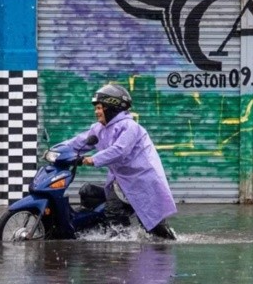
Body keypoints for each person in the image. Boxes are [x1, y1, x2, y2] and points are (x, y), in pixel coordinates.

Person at [63, 83, 177, 240]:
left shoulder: (130, 127)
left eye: (99, 108)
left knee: (154, 226)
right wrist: (56, 151)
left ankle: (163, 247)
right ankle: (123, 245)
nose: (96, 112)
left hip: (142, 181)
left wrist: (92, 159)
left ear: (111, 107)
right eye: (95, 108)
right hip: (121, 181)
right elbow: (77, 142)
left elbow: (120, 150)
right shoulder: (98, 129)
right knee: (114, 213)